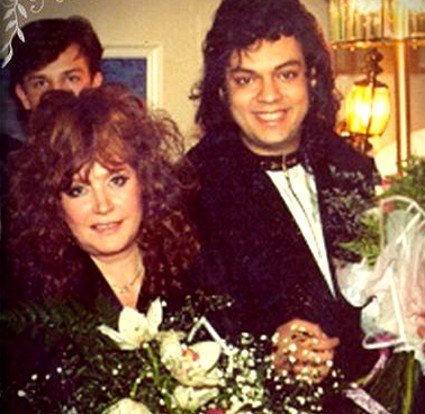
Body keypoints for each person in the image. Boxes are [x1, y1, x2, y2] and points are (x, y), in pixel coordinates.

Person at [187, 0, 378, 387]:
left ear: (312, 78)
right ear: (222, 89)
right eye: (246, 80)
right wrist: (266, 356)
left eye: (286, 74)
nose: (269, 95)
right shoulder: (192, 192)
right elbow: (190, 335)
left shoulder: (353, 169)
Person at [1, 83, 198, 410]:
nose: (103, 205)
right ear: (52, 202)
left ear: (146, 182)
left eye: (117, 180)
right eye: (78, 190)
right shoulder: (28, 305)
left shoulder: (198, 272)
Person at [0, 16, 103, 207]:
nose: (56, 93)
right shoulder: (8, 176)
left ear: (95, 84)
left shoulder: (128, 161)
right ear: (23, 95)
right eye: (40, 83)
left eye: (71, 78)